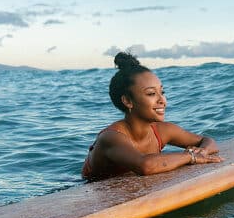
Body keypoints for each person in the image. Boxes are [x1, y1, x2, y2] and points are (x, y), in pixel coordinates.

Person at [82, 52, 223, 181]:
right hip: (90, 190)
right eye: (151, 94)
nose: (162, 100)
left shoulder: (162, 130)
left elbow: (208, 141)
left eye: (162, 92)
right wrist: (191, 157)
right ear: (128, 101)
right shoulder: (111, 137)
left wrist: (203, 151)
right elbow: (145, 166)